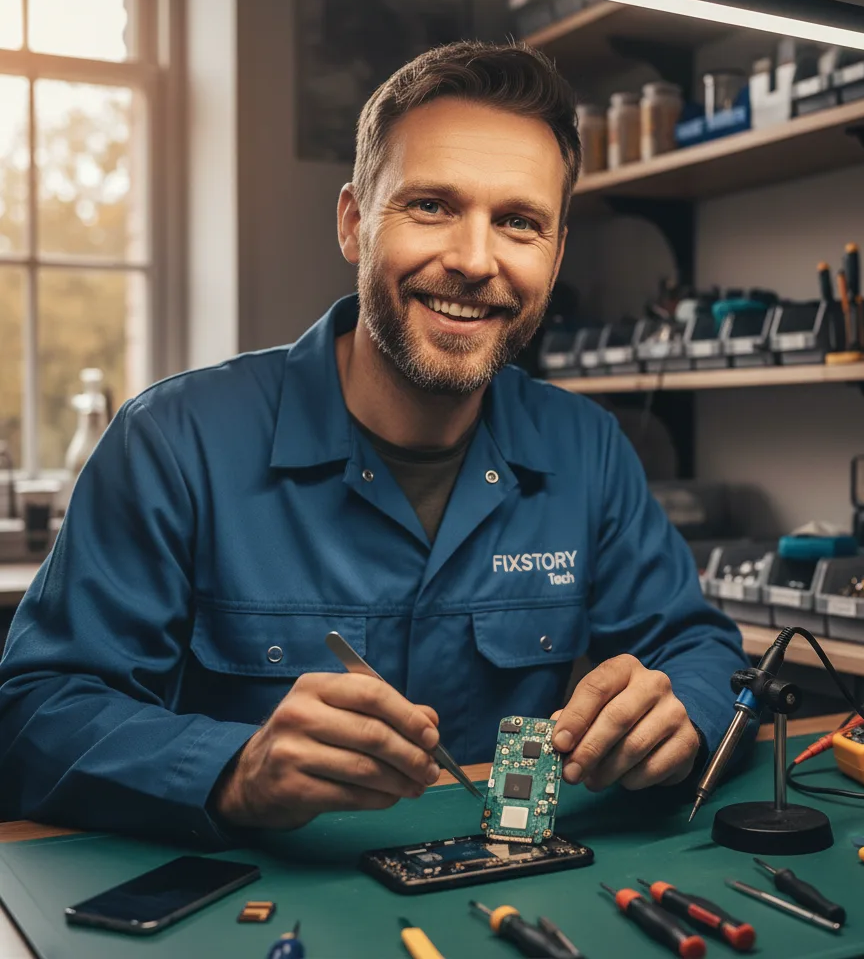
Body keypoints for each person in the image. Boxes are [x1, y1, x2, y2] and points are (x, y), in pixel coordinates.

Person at [0, 41, 749, 846]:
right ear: (355, 224)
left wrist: (685, 712)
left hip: (497, 900)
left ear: (556, 254)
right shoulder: (172, 444)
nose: (472, 259)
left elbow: (702, 651)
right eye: (431, 206)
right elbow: (36, 714)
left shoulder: (588, 450)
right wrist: (233, 768)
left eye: (519, 223)